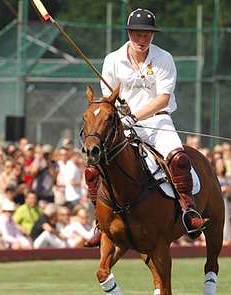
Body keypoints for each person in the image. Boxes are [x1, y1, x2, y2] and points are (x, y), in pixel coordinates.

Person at [84, 8, 211, 247]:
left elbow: (163, 98)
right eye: (138, 35)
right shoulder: (113, 60)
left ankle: (188, 211)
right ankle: (101, 222)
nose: (142, 40)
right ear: (129, 33)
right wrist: (123, 117)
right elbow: (107, 98)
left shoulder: (164, 58)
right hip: (122, 126)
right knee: (94, 169)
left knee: (179, 159)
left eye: (147, 35)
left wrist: (136, 116)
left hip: (157, 121)